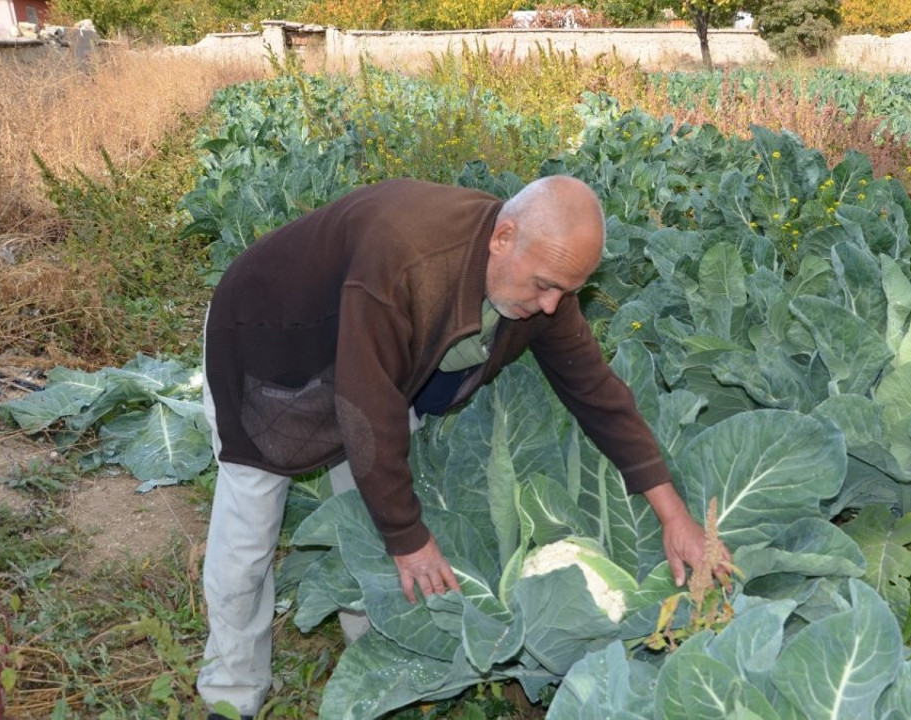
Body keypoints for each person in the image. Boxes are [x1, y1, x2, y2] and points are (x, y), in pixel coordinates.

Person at [198, 175, 729, 720]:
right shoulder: (405, 262)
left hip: (368, 355)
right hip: (270, 342)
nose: (551, 306)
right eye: (545, 284)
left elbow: (596, 393)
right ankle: (230, 689)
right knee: (250, 530)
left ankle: (372, 639)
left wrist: (674, 516)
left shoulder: (543, 284)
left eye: (565, 291)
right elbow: (365, 412)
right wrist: (408, 538)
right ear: (503, 237)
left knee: (367, 509)